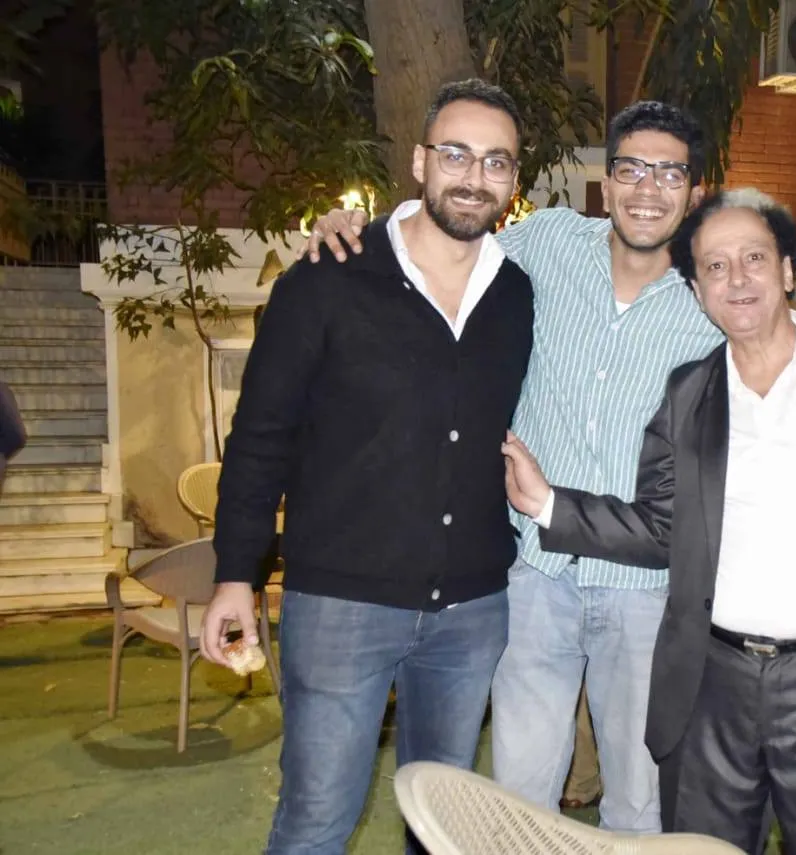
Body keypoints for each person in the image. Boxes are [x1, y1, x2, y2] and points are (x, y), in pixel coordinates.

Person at [301, 101, 796, 833]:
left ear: (694, 190)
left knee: (641, 806)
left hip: (649, 591)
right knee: (520, 802)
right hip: (535, 575)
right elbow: (448, 239)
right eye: (631, 168)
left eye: (669, 173)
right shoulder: (546, 242)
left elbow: (788, 338)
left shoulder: (709, 291)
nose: (647, 188)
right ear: (607, 181)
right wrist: (363, 228)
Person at [502, 189, 796, 855]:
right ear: (698, 292)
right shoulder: (686, 394)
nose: (737, 279)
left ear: (788, 270)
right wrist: (547, 504)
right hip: (709, 694)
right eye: (715, 267)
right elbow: (661, 528)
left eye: (754, 258)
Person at [199, 79, 534, 855]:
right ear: (420, 161)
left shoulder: (518, 292)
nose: (473, 176)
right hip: (339, 607)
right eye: (455, 154)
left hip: (472, 611)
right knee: (316, 823)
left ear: (514, 180)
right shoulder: (328, 275)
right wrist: (235, 575)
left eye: (495, 161)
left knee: (441, 826)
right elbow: (260, 436)